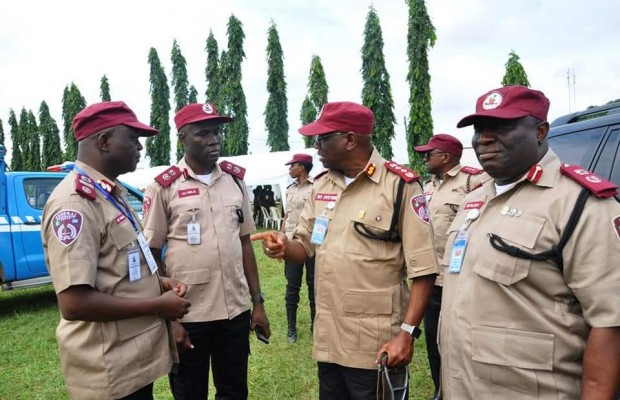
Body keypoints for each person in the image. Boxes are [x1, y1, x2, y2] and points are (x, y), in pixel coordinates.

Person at [440, 85, 620, 399]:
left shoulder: (581, 205)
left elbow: (610, 322)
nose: (483, 139)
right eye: (479, 129)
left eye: (501, 127)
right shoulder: (473, 200)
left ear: (540, 131)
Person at [253, 101, 438, 399]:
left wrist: (407, 333)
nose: (317, 147)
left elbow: (424, 269)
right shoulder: (321, 185)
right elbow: (305, 246)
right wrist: (284, 248)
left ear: (350, 140)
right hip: (328, 335)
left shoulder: (399, 187)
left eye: (323, 138)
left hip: (375, 341)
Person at [41, 101, 191, 400]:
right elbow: (73, 303)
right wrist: (158, 306)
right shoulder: (75, 204)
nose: (140, 147)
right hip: (107, 367)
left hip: (129, 359)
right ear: (105, 141)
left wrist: (158, 283)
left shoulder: (109, 194)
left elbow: (118, 267)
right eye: (133, 139)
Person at [141, 102, 270, 400]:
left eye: (217, 132)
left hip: (234, 312)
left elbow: (244, 243)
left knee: (234, 391)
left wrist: (258, 303)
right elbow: (151, 255)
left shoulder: (235, 180)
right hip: (188, 314)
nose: (214, 139)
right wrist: (169, 320)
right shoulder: (163, 188)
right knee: (189, 393)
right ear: (183, 138)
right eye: (203, 133)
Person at [413, 133, 489, 400]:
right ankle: (440, 390)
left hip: (462, 279)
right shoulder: (427, 186)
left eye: (428, 153)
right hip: (433, 279)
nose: (424, 158)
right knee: (434, 340)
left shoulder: (473, 181)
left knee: (464, 342)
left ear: (445, 157)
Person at [281, 153, 316, 343]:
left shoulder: (316, 187)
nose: (289, 168)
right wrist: (281, 238)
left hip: (311, 243)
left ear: (301, 167)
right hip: (291, 242)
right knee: (292, 286)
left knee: (314, 285)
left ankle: (315, 325)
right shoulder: (290, 189)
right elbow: (287, 216)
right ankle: (291, 328)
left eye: (292, 165)